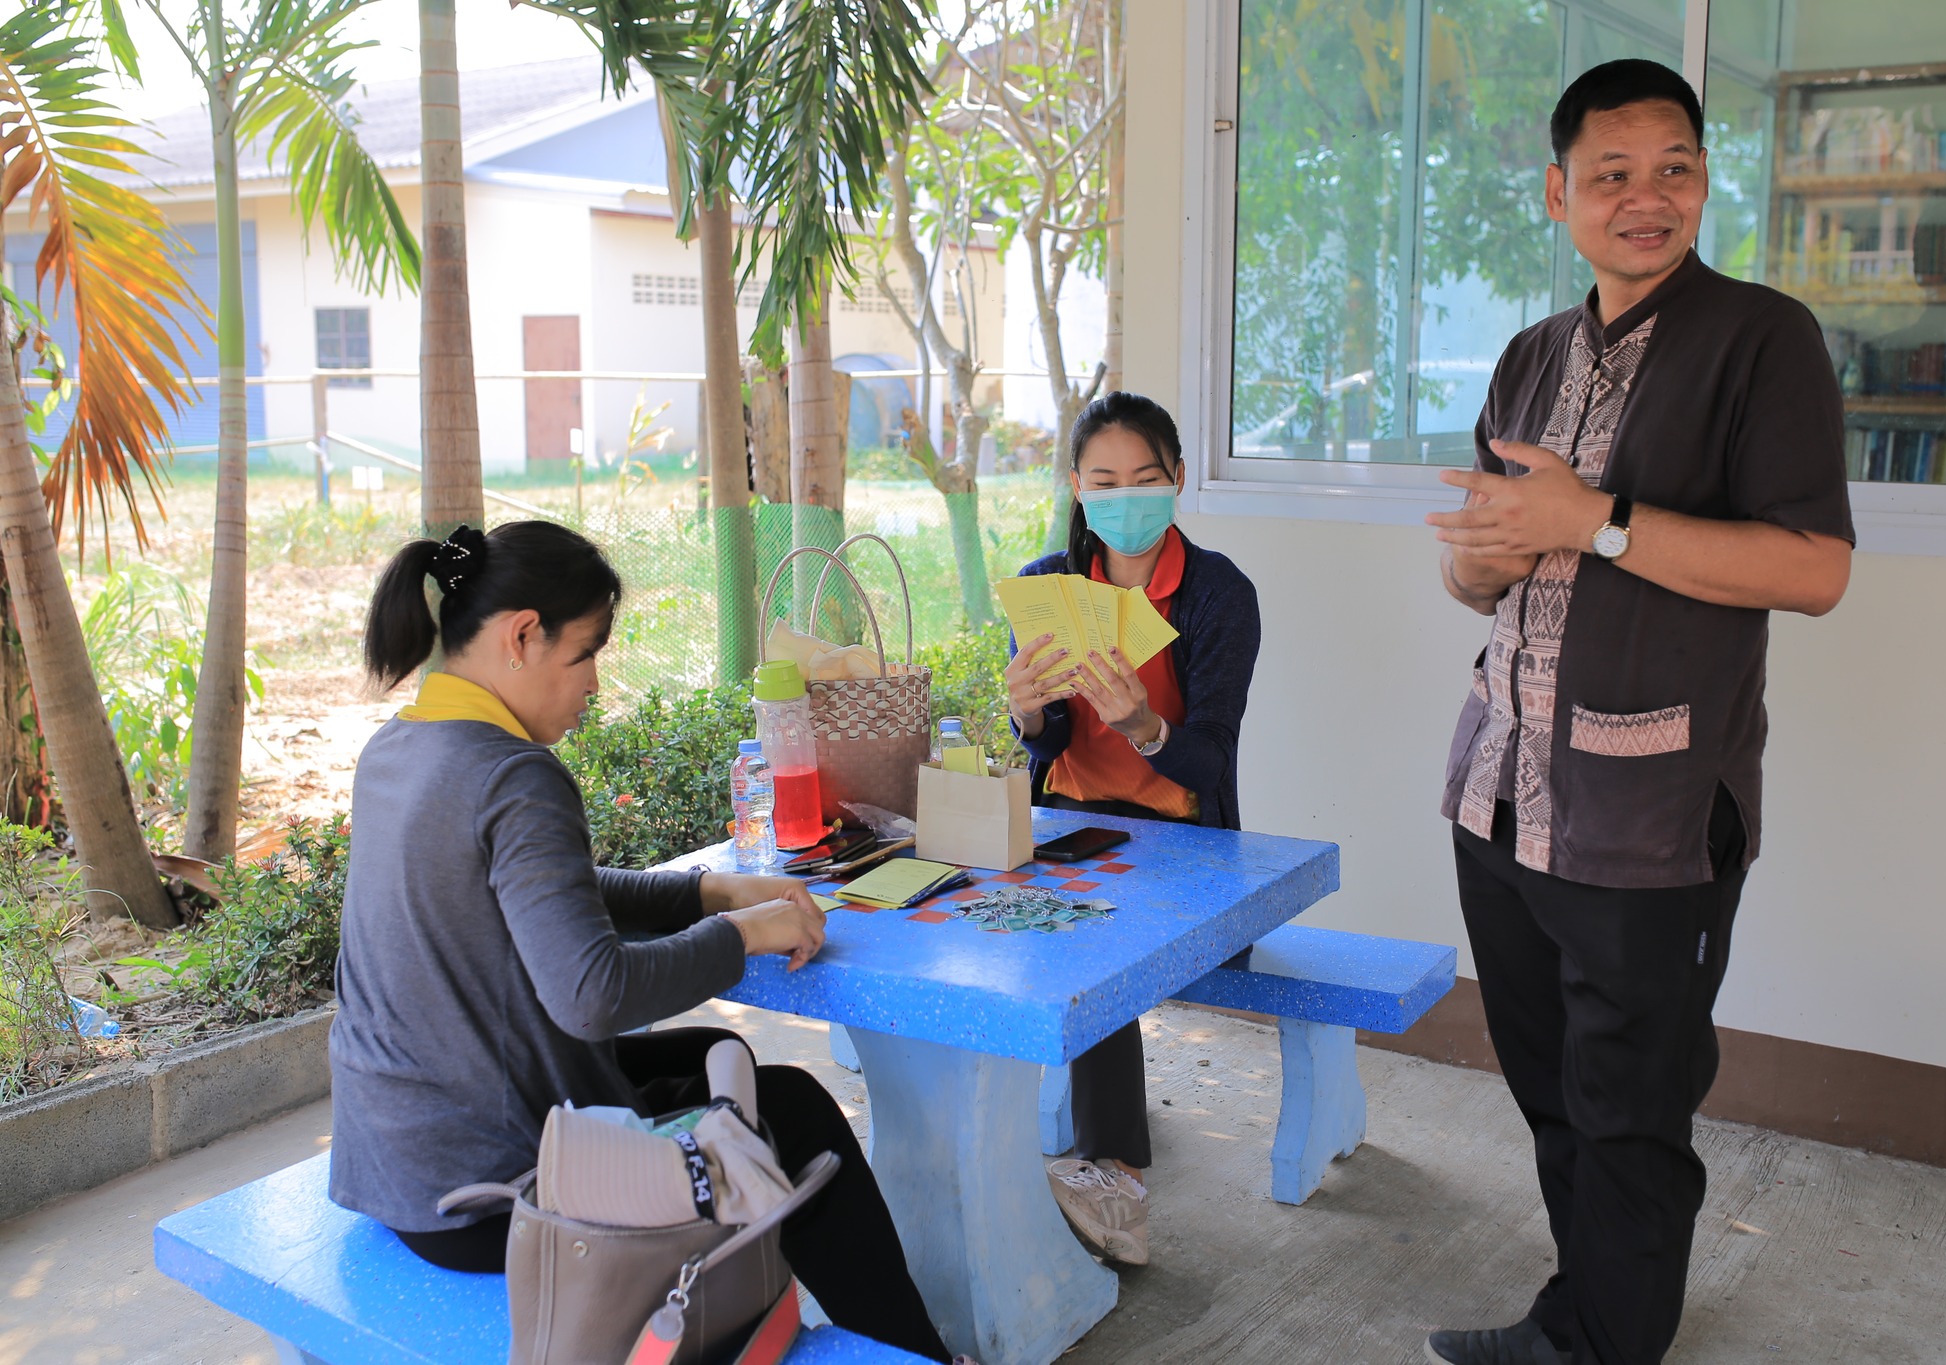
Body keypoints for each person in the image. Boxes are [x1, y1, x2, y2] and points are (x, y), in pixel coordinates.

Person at [1422, 60, 1854, 1365]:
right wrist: (1484, 560)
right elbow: (1473, 578)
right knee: (1554, 1091)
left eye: (1673, 169)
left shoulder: (1760, 340)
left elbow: (1813, 570)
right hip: (1499, 795)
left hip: (1647, 814)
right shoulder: (1529, 356)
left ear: (1704, 182)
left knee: (1630, 1109)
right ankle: (1589, 1312)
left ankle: (1604, 1342)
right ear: (1560, 195)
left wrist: (1593, 520)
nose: (1645, 197)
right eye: (1611, 174)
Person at [327, 521, 954, 1363]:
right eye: (586, 652)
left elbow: (547, 889)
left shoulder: (398, 747)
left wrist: (706, 890)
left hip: (399, 1166)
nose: (595, 683)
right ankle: (915, 1353)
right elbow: (593, 995)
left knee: (718, 1060)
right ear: (522, 635)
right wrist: (740, 933)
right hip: (501, 1192)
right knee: (795, 1109)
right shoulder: (516, 775)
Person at [1005, 391, 1261, 1267]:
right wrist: (1026, 712)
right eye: (1105, 481)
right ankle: (981, 1138)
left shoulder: (1219, 593)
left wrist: (1145, 725)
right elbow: (1046, 745)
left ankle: (1116, 1177)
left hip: (1179, 837)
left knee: (1093, 942)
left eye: (1146, 478)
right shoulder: (1047, 585)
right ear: (1078, 487)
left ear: (1178, 477)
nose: (1126, 498)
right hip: (1067, 822)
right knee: (971, 916)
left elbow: (1209, 762)